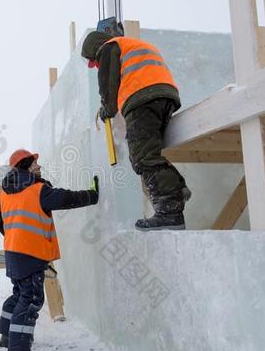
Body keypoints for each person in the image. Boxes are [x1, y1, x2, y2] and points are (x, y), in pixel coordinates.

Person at [0, 149, 99, 351]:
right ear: (25, 167)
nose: (38, 167)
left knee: (19, 294)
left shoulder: (4, 194)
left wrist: (15, 237)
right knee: (31, 299)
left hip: (14, 252)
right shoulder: (38, 190)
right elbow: (67, 198)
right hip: (31, 253)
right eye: (34, 164)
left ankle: (6, 336)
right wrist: (92, 195)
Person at [81, 31, 191, 231]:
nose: (95, 64)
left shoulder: (108, 48)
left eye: (92, 60)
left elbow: (108, 88)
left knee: (143, 157)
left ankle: (169, 211)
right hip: (165, 96)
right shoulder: (131, 46)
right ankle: (176, 188)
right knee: (150, 151)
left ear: (94, 49)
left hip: (142, 98)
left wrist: (106, 110)